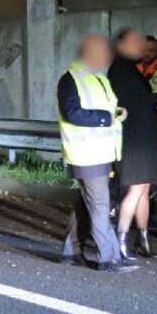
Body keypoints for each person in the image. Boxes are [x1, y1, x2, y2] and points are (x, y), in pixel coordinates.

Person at [57, 34, 135, 272]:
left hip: (101, 154)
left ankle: (71, 252)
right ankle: (108, 258)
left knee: (86, 204)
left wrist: (117, 112)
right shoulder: (70, 79)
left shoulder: (98, 78)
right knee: (100, 206)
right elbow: (72, 113)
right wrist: (107, 118)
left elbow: (105, 108)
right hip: (85, 154)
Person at [108, 26, 157, 262]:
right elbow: (130, 100)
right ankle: (120, 241)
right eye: (135, 41)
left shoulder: (132, 68)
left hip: (146, 139)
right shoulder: (120, 69)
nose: (141, 45)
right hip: (134, 139)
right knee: (135, 189)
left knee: (143, 189)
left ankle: (143, 240)